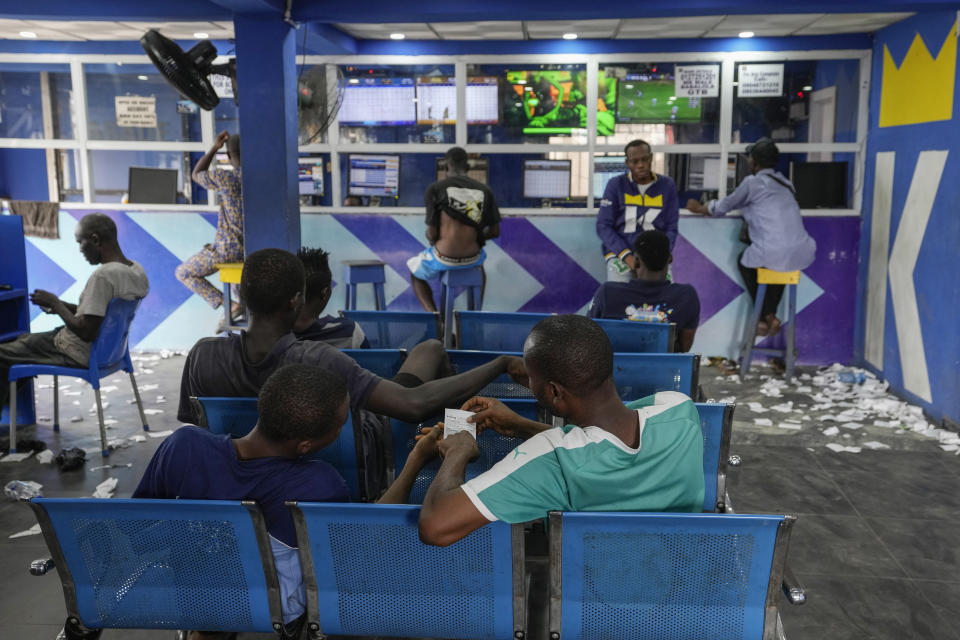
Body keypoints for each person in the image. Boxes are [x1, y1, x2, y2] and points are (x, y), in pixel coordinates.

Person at [136, 364, 442, 640]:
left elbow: (136, 532)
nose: (341, 430)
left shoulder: (183, 445)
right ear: (306, 445)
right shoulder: (318, 484)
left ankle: (207, 630)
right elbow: (366, 536)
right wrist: (416, 459)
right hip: (271, 609)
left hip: (192, 597)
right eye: (340, 425)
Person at [418, 315, 704, 547]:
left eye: (531, 378)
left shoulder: (552, 460)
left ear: (554, 391)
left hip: (591, 608)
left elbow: (435, 526)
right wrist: (522, 427)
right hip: (683, 591)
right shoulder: (679, 409)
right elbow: (607, 443)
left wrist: (458, 450)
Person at [178, 247, 525, 427]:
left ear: (241, 294)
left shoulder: (202, 354)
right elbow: (412, 404)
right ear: (296, 300)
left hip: (237, 481)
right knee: (431, 350)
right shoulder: (316, 359)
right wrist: (500, 364)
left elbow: (194, 430)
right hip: (329, 465)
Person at [0, 213, 149, 409]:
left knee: (2, 354)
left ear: (95, 240)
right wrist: (58, 304)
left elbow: (87, 331)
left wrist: (55, 303)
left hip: (74, 350)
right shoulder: (135, 271)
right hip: (111, 353)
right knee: (19, 343)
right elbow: (97, 313)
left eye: (81, 243)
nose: (80, 250)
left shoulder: (103, 276)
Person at [686, 137, 816, 337]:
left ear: (754, 162)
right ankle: (770, 316)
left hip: (775, 252)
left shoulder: (752, 183)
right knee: (778, 267)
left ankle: (765, 316)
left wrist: (699, 208)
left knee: (746, 262)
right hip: (803, 250)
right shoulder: (786, 182)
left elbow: (723, 206)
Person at [294, 246, 456, 386]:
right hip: (354, 416)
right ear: (325, 292)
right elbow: (371, 371)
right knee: (433, 347)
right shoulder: (349, 332)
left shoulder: (277, 338)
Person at [408, 147, 501, 312]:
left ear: (446, 168)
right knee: (480, 269)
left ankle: (435, 317)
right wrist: (476, 238)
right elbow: (494, 231)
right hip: (472, 258)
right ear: (468, 168)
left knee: (415, 273)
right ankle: (474, 316)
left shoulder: (436, 189)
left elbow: (432, 233)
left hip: (444, 256)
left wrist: (435, 241)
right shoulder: (485, 190)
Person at [587, 230, 701, 352]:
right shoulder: (686, 296)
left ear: (636, 261)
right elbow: (684, 348)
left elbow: (588, 340)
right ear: (670, 259)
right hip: (663, 370)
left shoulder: (607, 293)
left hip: (615, 370)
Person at [175, 131, 244, 329]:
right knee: (238, 279)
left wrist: (215, 147)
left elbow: (196, 174)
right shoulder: (260, 183)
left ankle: (229, 305)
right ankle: (240, 310)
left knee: (183, 273)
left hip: (227, 252)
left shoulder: (225, 178)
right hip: (253, 251)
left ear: (229, 157)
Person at [597, 139, 680, 282]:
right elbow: (603, 226)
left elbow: (671, 227)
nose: (640, 165)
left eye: (644, 159)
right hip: (621, 255)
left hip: (656, 256)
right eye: (635, 161)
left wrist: (665, 252)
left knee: (666, 299)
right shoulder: (616, 185)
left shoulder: (667, 185)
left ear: (651, 158)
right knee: (620, 298)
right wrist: (627, 256)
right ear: (627, 163)